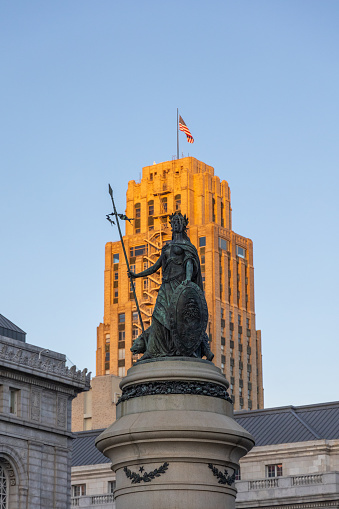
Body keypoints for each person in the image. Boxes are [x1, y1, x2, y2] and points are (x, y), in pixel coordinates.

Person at [129, 212, 213, 361]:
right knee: (158, 317)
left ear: (183, 225)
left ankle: (185, 348)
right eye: (173, 222)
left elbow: (189, 262)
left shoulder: (187, 246)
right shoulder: (167, 247)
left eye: (178, 222)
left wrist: (187, 280)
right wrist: (136, 275)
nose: (175, 225)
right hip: (166, 287)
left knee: (180, 317)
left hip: (179, 287)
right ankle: (154, 350)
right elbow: (155, 267)